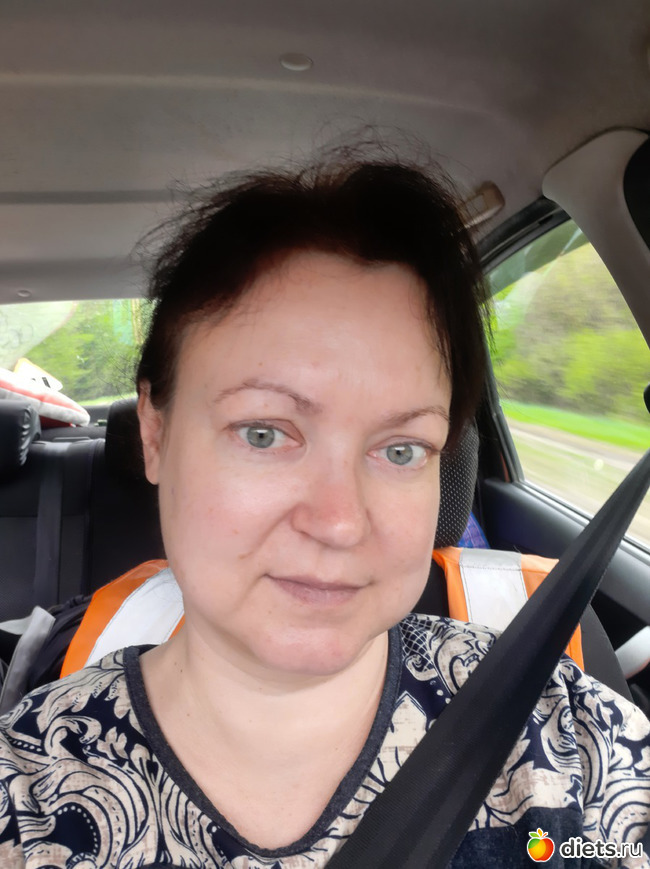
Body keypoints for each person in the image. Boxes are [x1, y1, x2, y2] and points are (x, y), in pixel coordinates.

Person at [0, 155, 648, 868]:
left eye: (400, 449)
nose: (340, 523)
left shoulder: (571, 737)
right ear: (155, 434)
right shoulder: (26, 792)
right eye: (263, 433)